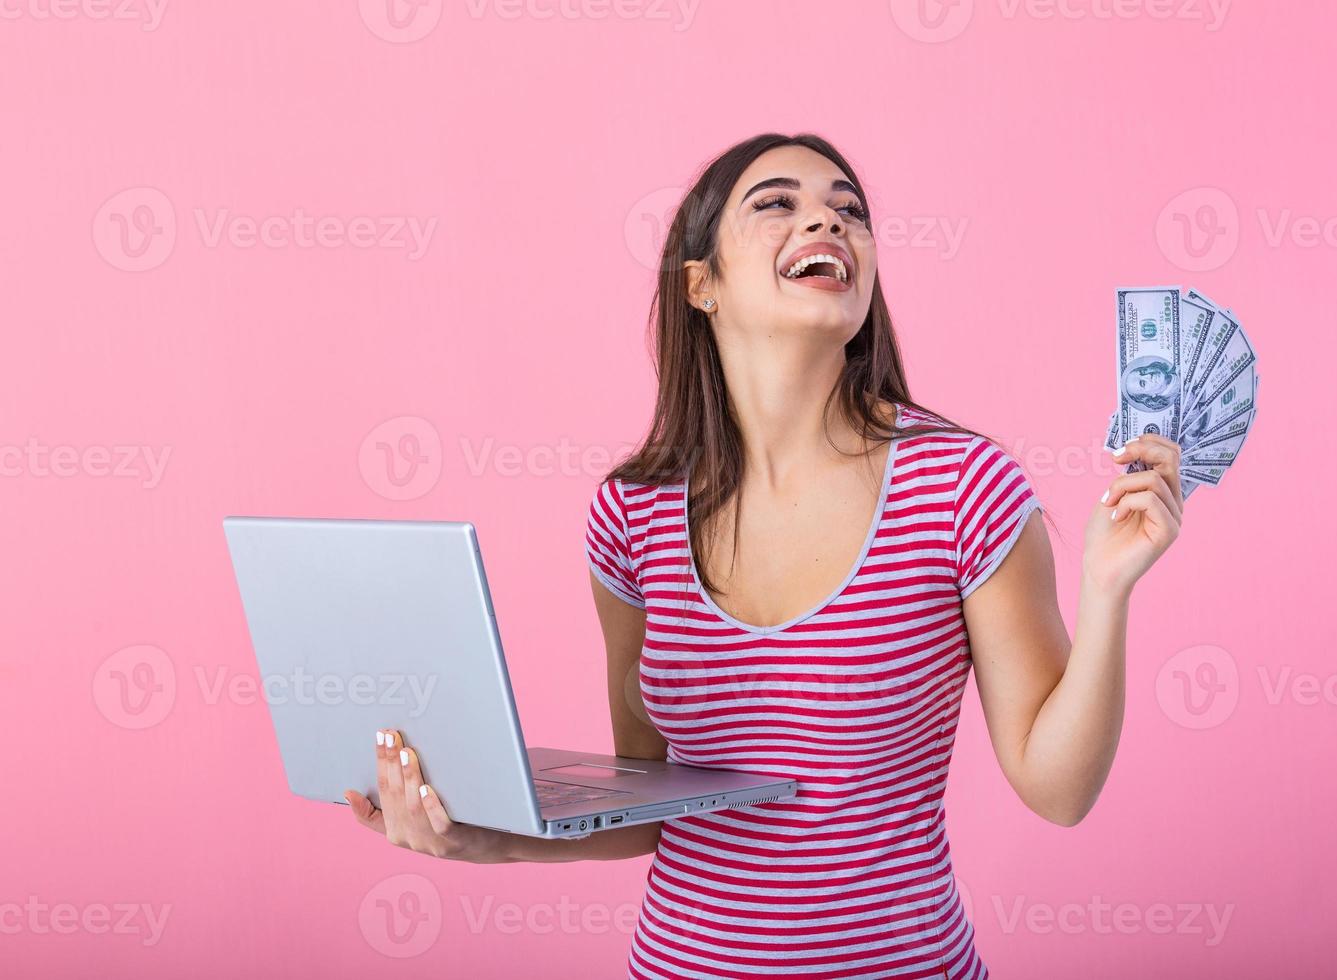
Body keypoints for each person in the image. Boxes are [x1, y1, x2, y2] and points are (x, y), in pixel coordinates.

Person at [345, 133, 1185, 979]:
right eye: (777, 202)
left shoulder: (962, 485)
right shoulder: (631, 514)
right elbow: (649, 805)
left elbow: (1059, 789)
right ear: (700, 284)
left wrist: (1107, 590)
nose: (827, 217)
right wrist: (482, 839)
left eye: (849, 209)